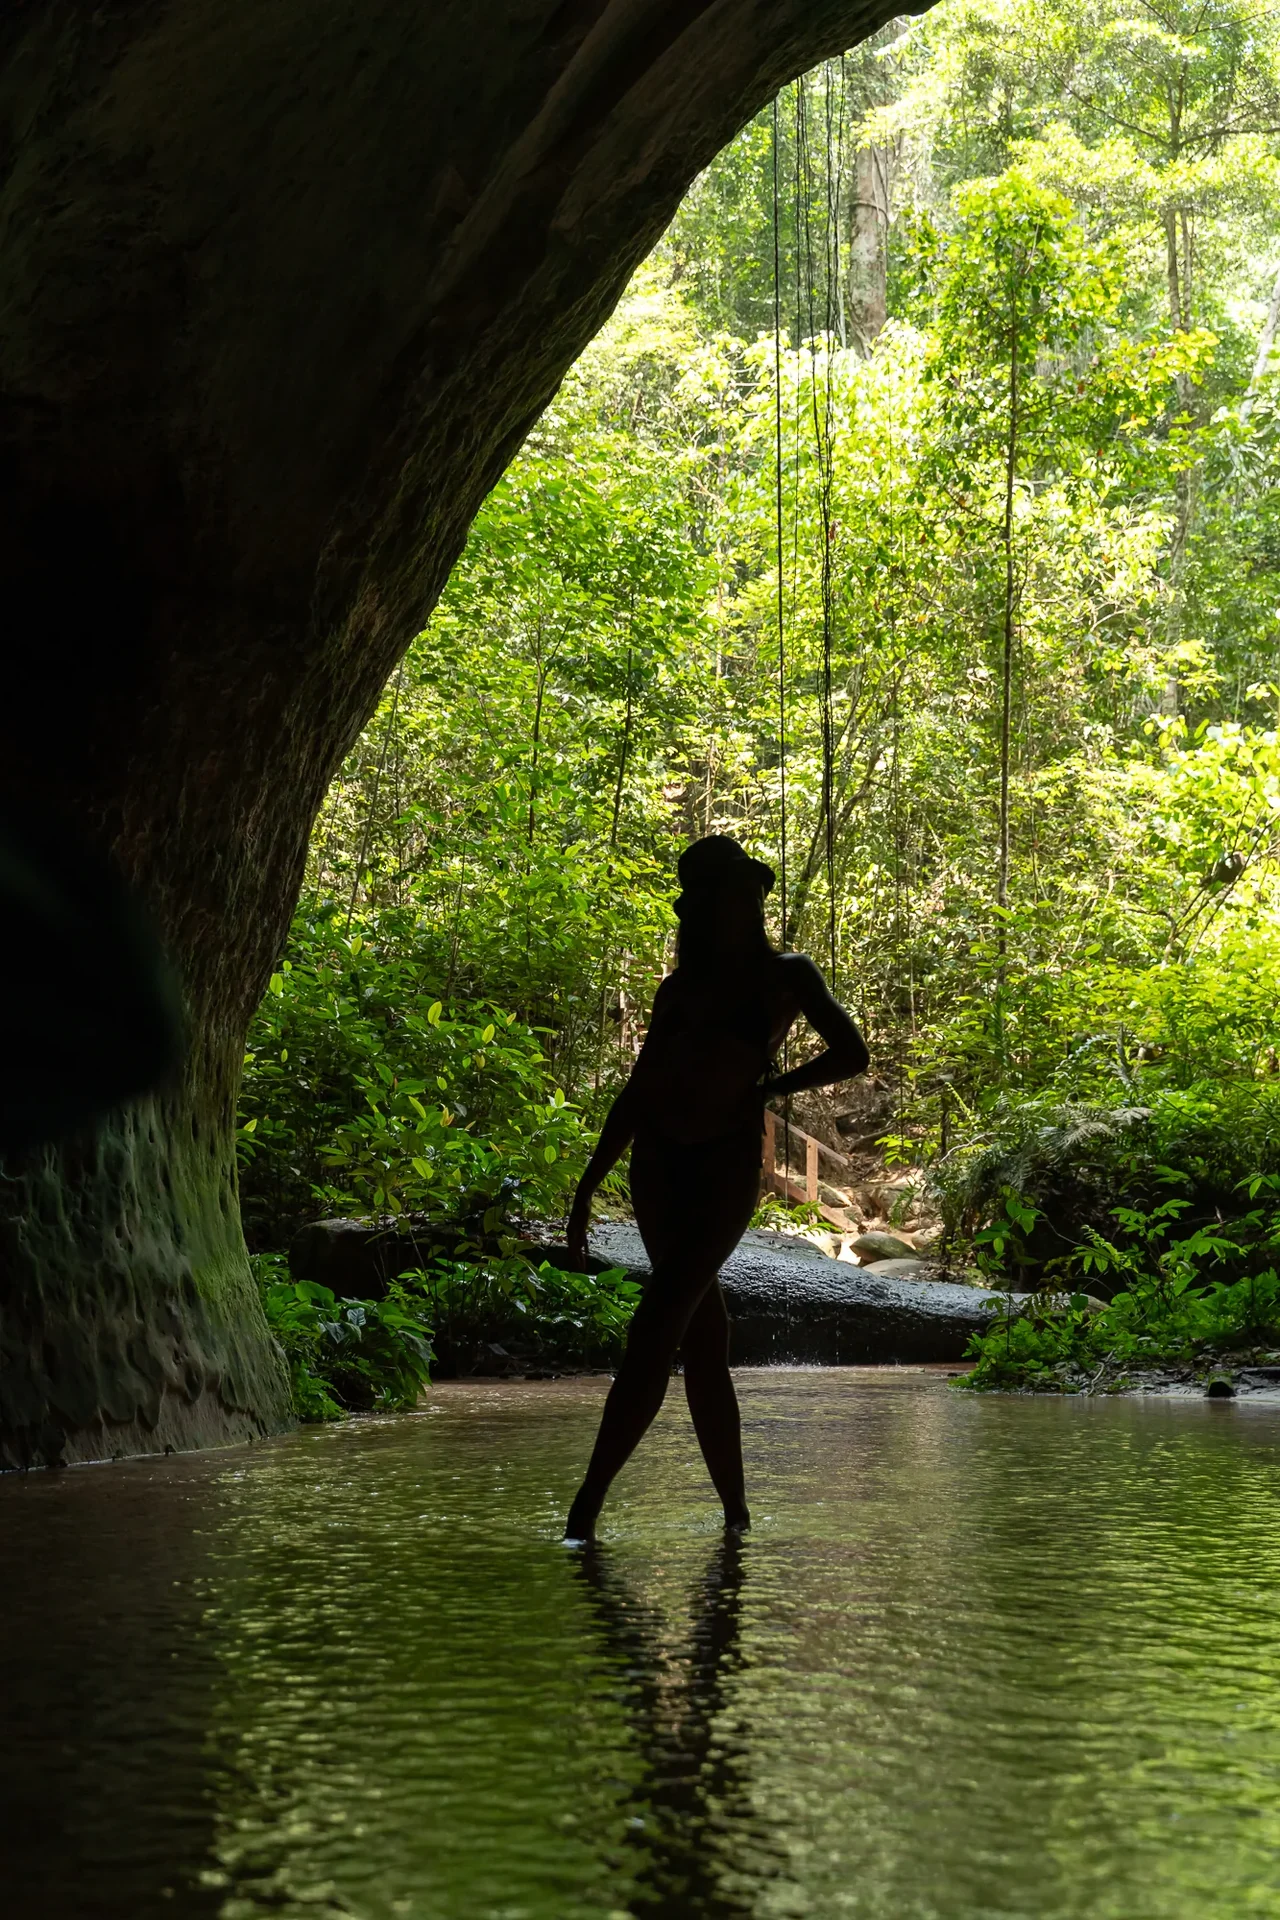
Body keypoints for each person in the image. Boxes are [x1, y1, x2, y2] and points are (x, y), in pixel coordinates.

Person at [564, 834, 869, 1542]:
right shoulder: (679, 988)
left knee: (656, 1322)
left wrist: (772, 1085)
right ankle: (736, 1517)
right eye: (731, 891)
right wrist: (587, 1189)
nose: (749, 902)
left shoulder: (787, 975)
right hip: (659, 1167)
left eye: (752, 891)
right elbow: (640, 1088)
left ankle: (586, 1510)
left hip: (725, 1166)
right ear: (703, 905)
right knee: (702, 1338)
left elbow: (851, 1052)